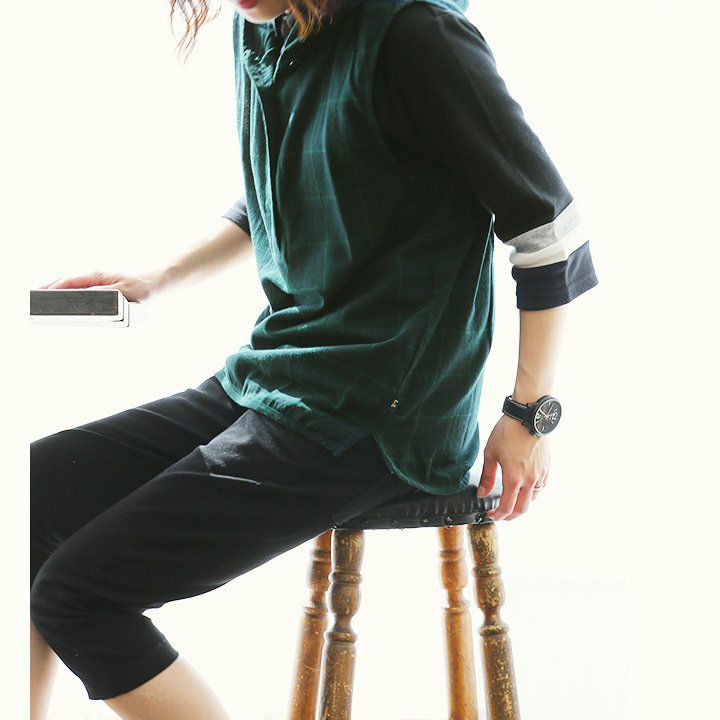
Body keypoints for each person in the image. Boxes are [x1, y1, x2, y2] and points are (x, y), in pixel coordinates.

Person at [29, 0, 599, 718]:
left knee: (78, 594)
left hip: (382, 410)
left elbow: (552, 234)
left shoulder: (419, 36)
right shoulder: (261, 23)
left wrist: (529, 415)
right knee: (27, 496)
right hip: (280, 373)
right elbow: (278, 188)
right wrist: (157, 276)